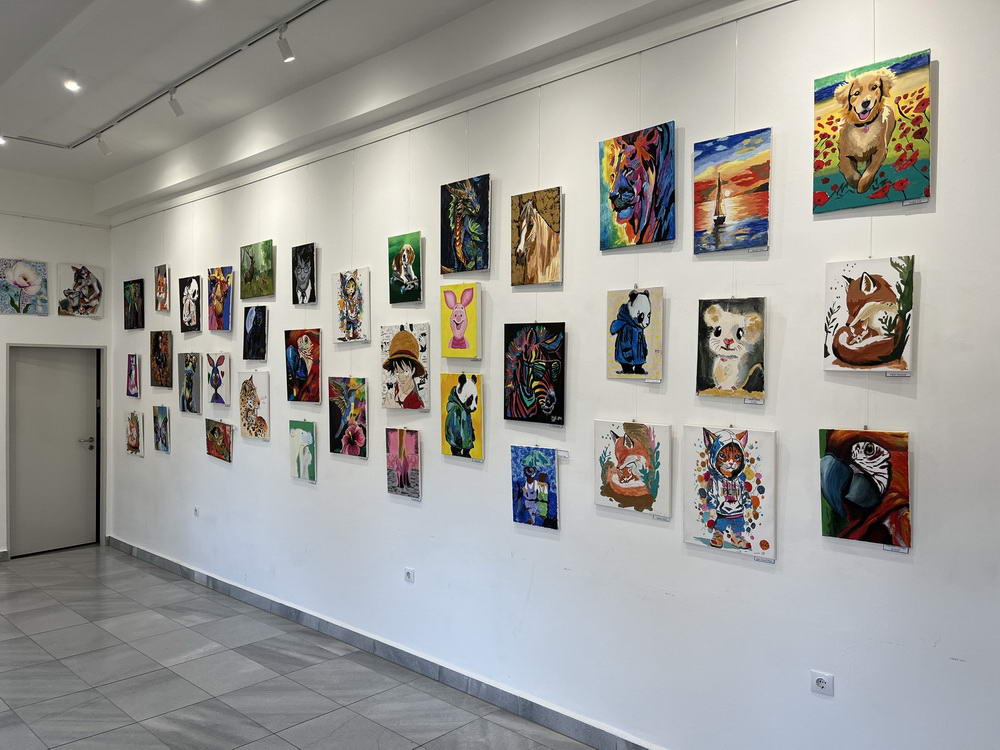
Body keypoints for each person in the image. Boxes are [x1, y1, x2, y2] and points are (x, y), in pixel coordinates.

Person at [382, 328, 425, 409]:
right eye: (397, 372)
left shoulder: (417, 402)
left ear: (413, 370)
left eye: (405, 371)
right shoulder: (393, 391)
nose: (401, 377)